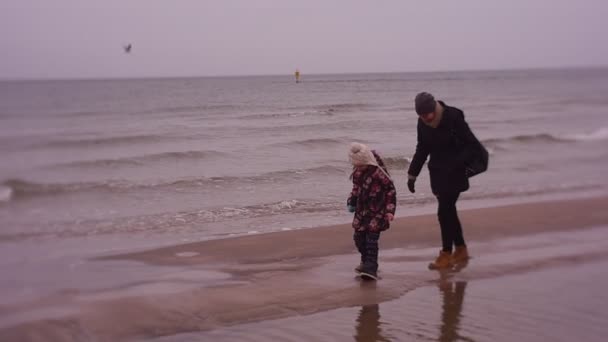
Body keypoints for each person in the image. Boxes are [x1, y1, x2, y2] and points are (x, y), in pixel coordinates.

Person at [407, 92, 480, 269]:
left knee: (444, 211)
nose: (426, 117)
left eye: (428, 113)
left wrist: (459, 163)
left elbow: (470, 144)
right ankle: (461, 249)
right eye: (422, 115)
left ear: (434, 108)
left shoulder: (453, 116)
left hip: (456, 171)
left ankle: (446, 254)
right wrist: (412, 175)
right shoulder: (422, 123)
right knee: (449, 210)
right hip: (438, 172)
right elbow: (422, 148)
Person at [347, 142, 397, 279]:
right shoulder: (357, 173)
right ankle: (365, 261)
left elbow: (391, 191)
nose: (359, 168)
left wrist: (389, 211)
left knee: (371, 240)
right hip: (361, 211)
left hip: (378, 211)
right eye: (356, 165)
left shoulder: (378, 173)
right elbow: (356, 188)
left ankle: (371, 267)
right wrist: (352, 200)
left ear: (368, 162)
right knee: (358, 237)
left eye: (361, 165)